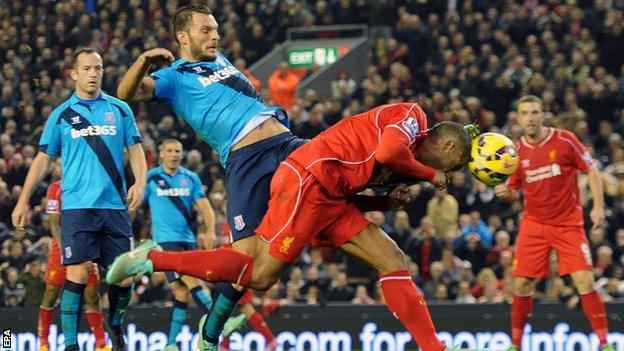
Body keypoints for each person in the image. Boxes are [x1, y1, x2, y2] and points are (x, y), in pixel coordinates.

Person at [108, 103, 477, 351]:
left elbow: (356, 185)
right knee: (259, 274)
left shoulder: (406, 165)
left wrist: (384, 202)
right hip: (308, 179)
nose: (451, 174)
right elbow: (385, 153)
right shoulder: (413, 118)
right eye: (454, 165)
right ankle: (154, 258)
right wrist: (432, 175)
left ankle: (434, 348)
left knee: (393, 259)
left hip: (332, 198)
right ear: (444, 144)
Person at [115, 4, 295, 348]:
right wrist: (142, 62)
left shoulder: (221, 61)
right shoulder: (173, 76)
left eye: (215, 29)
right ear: (182, 37)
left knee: (330, 161)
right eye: (206, 31)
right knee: (243, 265)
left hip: (282, 142)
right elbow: (126, 94)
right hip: (244, 161)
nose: (215, 36)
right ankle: (208, 334)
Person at [12, 47, 147, 351]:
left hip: (114, 206)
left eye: (97, 68)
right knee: (77, 272)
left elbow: (136, 150)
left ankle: (115, 325)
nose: (93, 73)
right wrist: (22, 201)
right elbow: (43, 160)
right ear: (74, 74)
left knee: (123, 279)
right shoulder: (61, 115)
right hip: (77, 207)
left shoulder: (120, 109)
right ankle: (70, 344)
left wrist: (141, 181)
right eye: (86, 68)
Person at [494, 95, 614, 351]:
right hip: (534, 225)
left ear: (543, 114)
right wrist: (505, 191)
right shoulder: (516, 152)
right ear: (518, 117)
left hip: (568, 223)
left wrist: (598, 208)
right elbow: (513, 188)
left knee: (585, 281)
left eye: (535, 112)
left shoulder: (564, 140)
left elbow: (591, 169)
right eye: (525, 113)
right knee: (523, 284)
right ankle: (515, 345)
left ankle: (604, 343)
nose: (530, 118)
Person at [144, 138, 228, 351]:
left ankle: (171, 344)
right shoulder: (150, 178)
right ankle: (220, 322)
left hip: (188, 240)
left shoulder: (190, 179)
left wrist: (210, 230)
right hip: (165, 241)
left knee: (182, 292)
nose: (174, 154)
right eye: (170, 150)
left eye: (178, 151)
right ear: (161, 153)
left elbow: (205, 207)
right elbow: (135, 205)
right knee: (191, 280)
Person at [39, 169, 110, 351]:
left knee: (92, 296)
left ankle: (101, 344)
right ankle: (44, 343)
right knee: (51, 294)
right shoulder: (56, 189)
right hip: (61, 248)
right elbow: (54, 223)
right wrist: (65, 250)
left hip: (87, 247)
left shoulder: (90, 188)